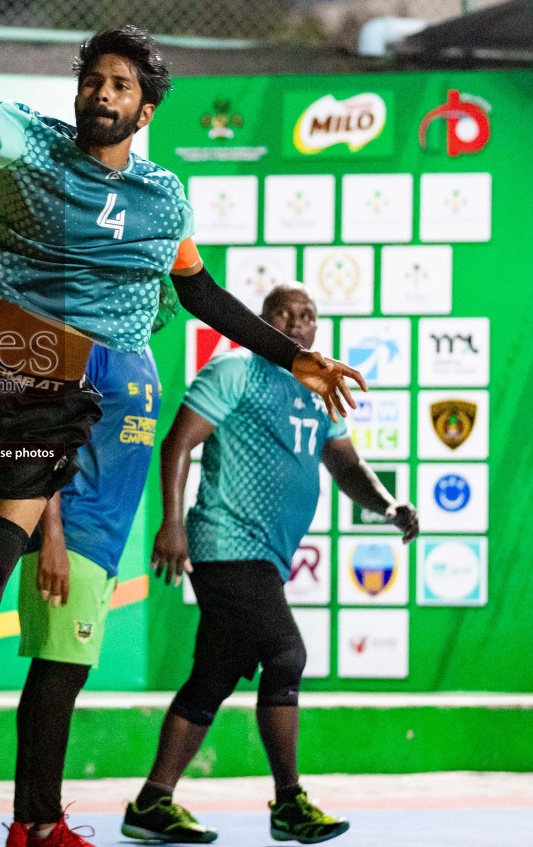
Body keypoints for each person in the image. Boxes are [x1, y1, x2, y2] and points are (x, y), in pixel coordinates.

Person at [0, 26, 365, 715]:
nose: (103, 93)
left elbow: (198, 291)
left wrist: (292, 355)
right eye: (94, 80)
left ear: (144, 112)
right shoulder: (25, 140)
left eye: (121, 86)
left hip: (51, 407)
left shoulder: (163, 197)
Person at [122, 284, 418, 845]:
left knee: (212, 677)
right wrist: (173, 523)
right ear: (262, 320)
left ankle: (151, 803)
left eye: (307, 315)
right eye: (284, 312)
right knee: (286, 655)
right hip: (227, 542)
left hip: (265, 556)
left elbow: (345, 464)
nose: (297, 322)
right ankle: (289, 803)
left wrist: (388, 505)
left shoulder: (316, 386)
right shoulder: (237, 368)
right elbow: (178, 443)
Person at [5, 343, 162, 847]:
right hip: (72, 533)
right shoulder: (89, 344)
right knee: (56, 682)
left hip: (103, 540)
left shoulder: (144, 351)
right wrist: (52, 537)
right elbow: (46, 436)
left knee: (55, 679)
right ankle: (42, 826)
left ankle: (31, 826)